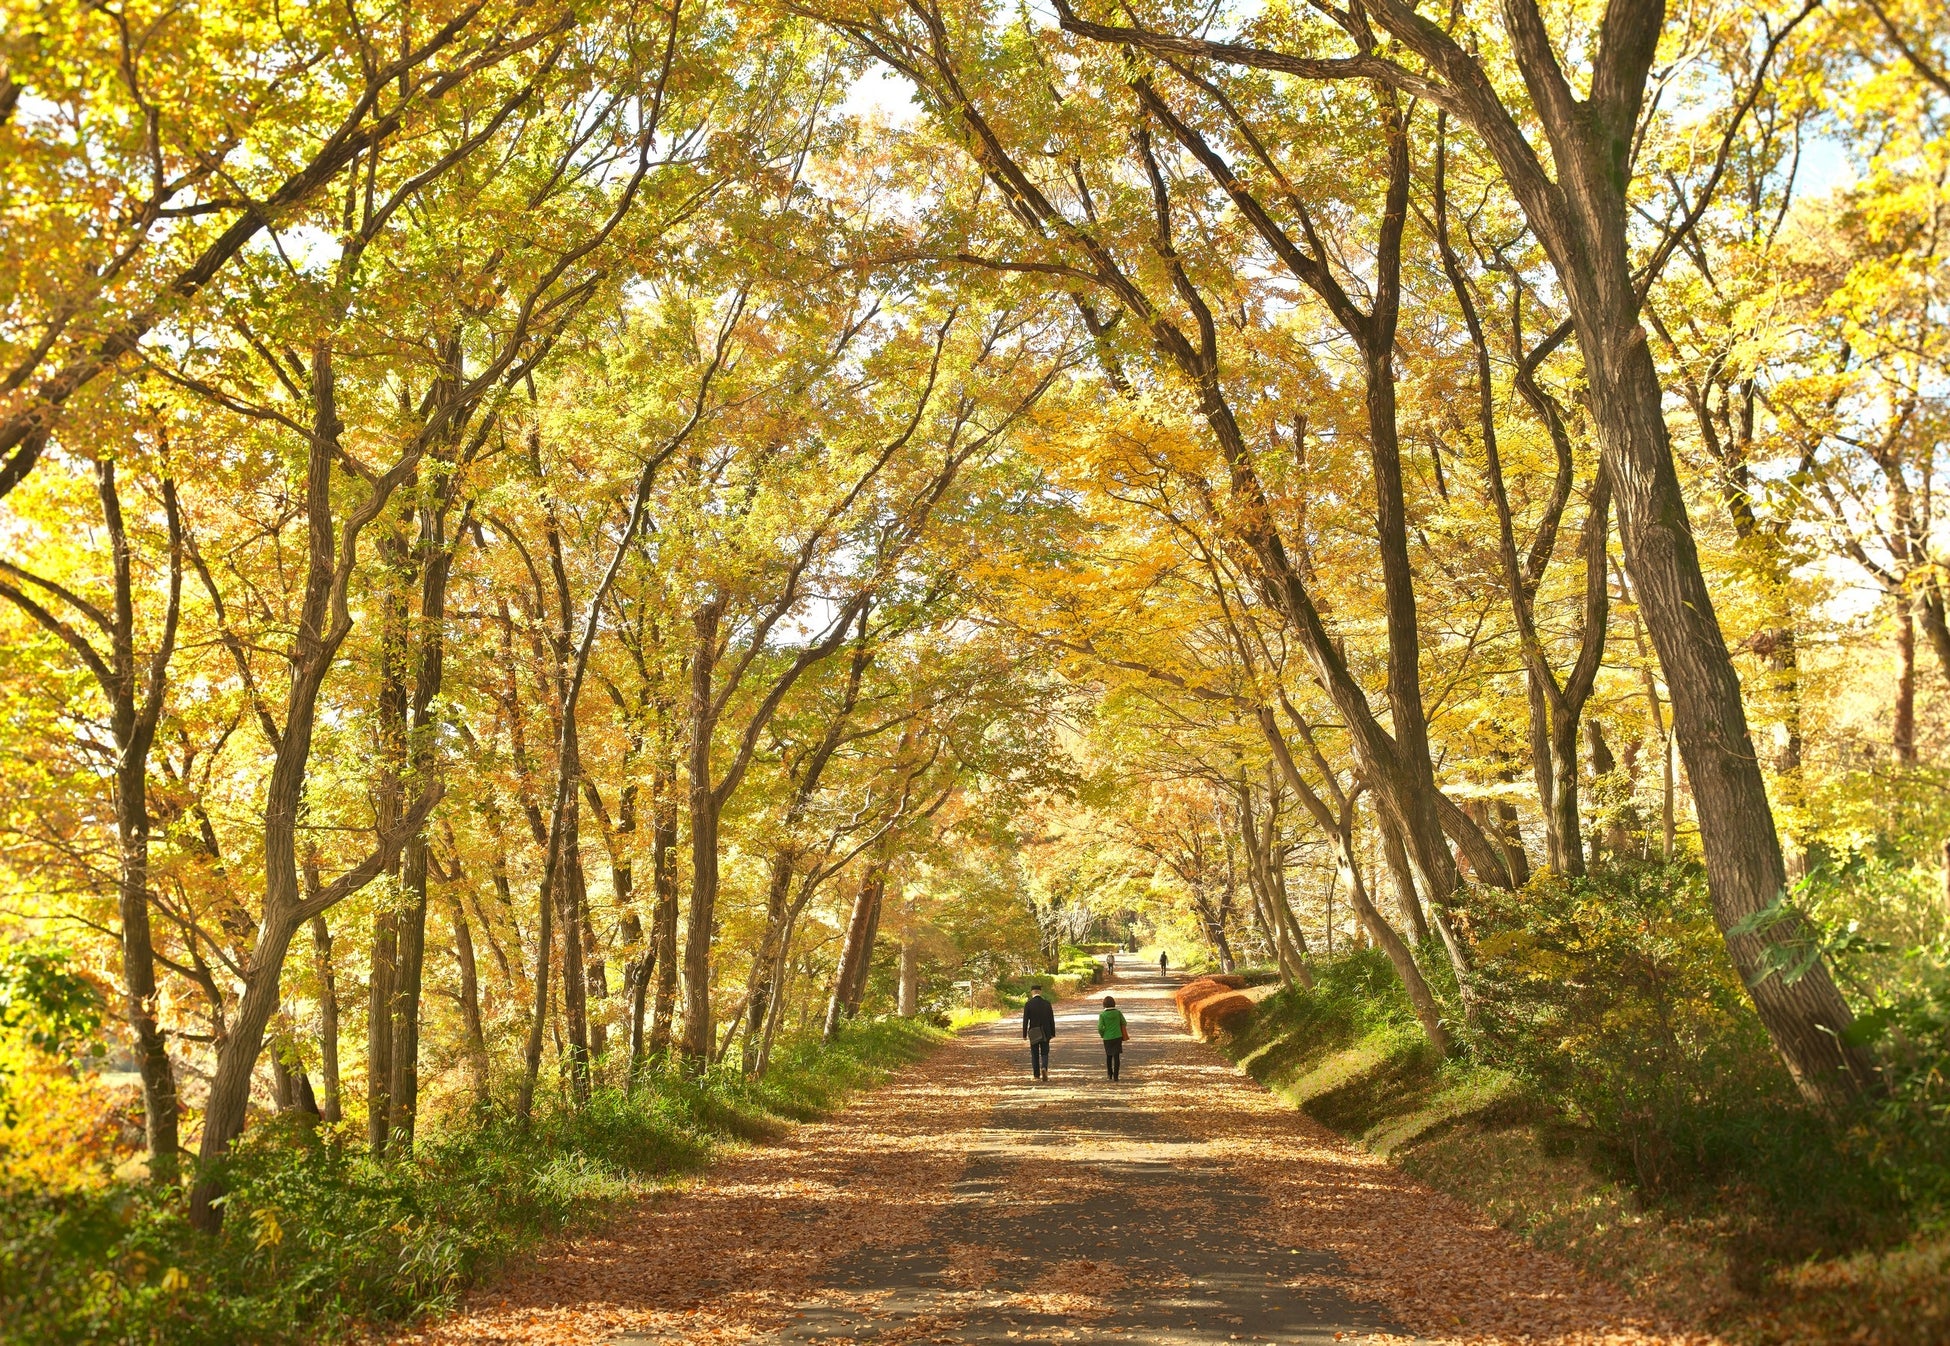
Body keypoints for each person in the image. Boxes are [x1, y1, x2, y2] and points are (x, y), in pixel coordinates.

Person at [1022, 985, 1056, 1080]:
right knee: (1045, 1052)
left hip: (1034, 1031)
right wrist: (1053, 1032)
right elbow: (1051, 1019)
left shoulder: (1028, 1004)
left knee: (1034, 1053)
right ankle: (1044, 1067)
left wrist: (1024, 1034)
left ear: (1032, 992)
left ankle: (1036, 1075)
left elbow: (1025, 1020)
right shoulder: (1047, 1004)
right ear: (1040, 992)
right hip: (1046, 1031)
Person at [1097, 996, 1127, 1080]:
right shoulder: (1118, 1013)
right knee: (1116, 1056)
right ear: (1114, 1003)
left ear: (1104, 1004)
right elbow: (1124, 1022)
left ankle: (1110, 1074)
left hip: (1107, 1038)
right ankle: (1116, 1076)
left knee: (1108, 1056)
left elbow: (1099, 1027)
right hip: (1118, 1036)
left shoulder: (1102, 1015)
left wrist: (1102, 1034)